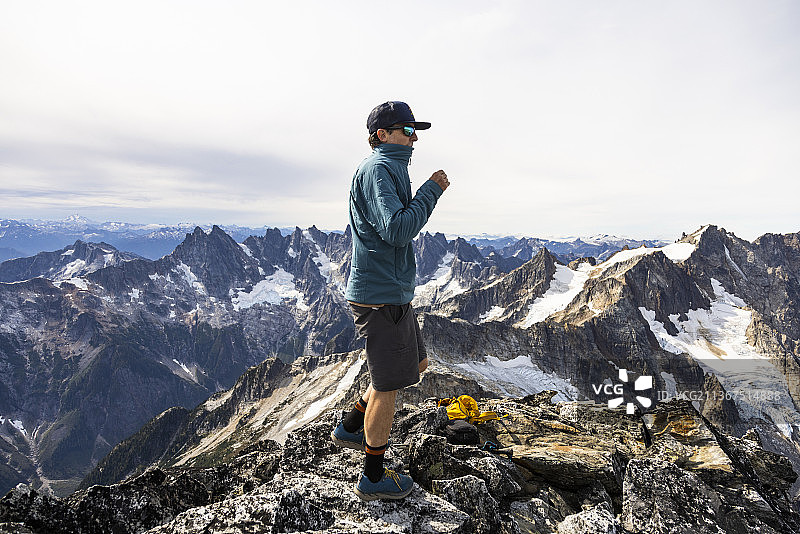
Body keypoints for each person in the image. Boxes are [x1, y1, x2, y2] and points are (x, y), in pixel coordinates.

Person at [331, 101, 449, 501]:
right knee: (388, 387)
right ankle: (373, 477)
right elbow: (397, 230)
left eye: (415, 131)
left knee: (416, 363)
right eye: (407, 129)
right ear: (383, 134)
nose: (414, 138)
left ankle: (350, 426)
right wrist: (431, 192)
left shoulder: (389, 167)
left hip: (391, 292)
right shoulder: (380, 169)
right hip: (381, 297)